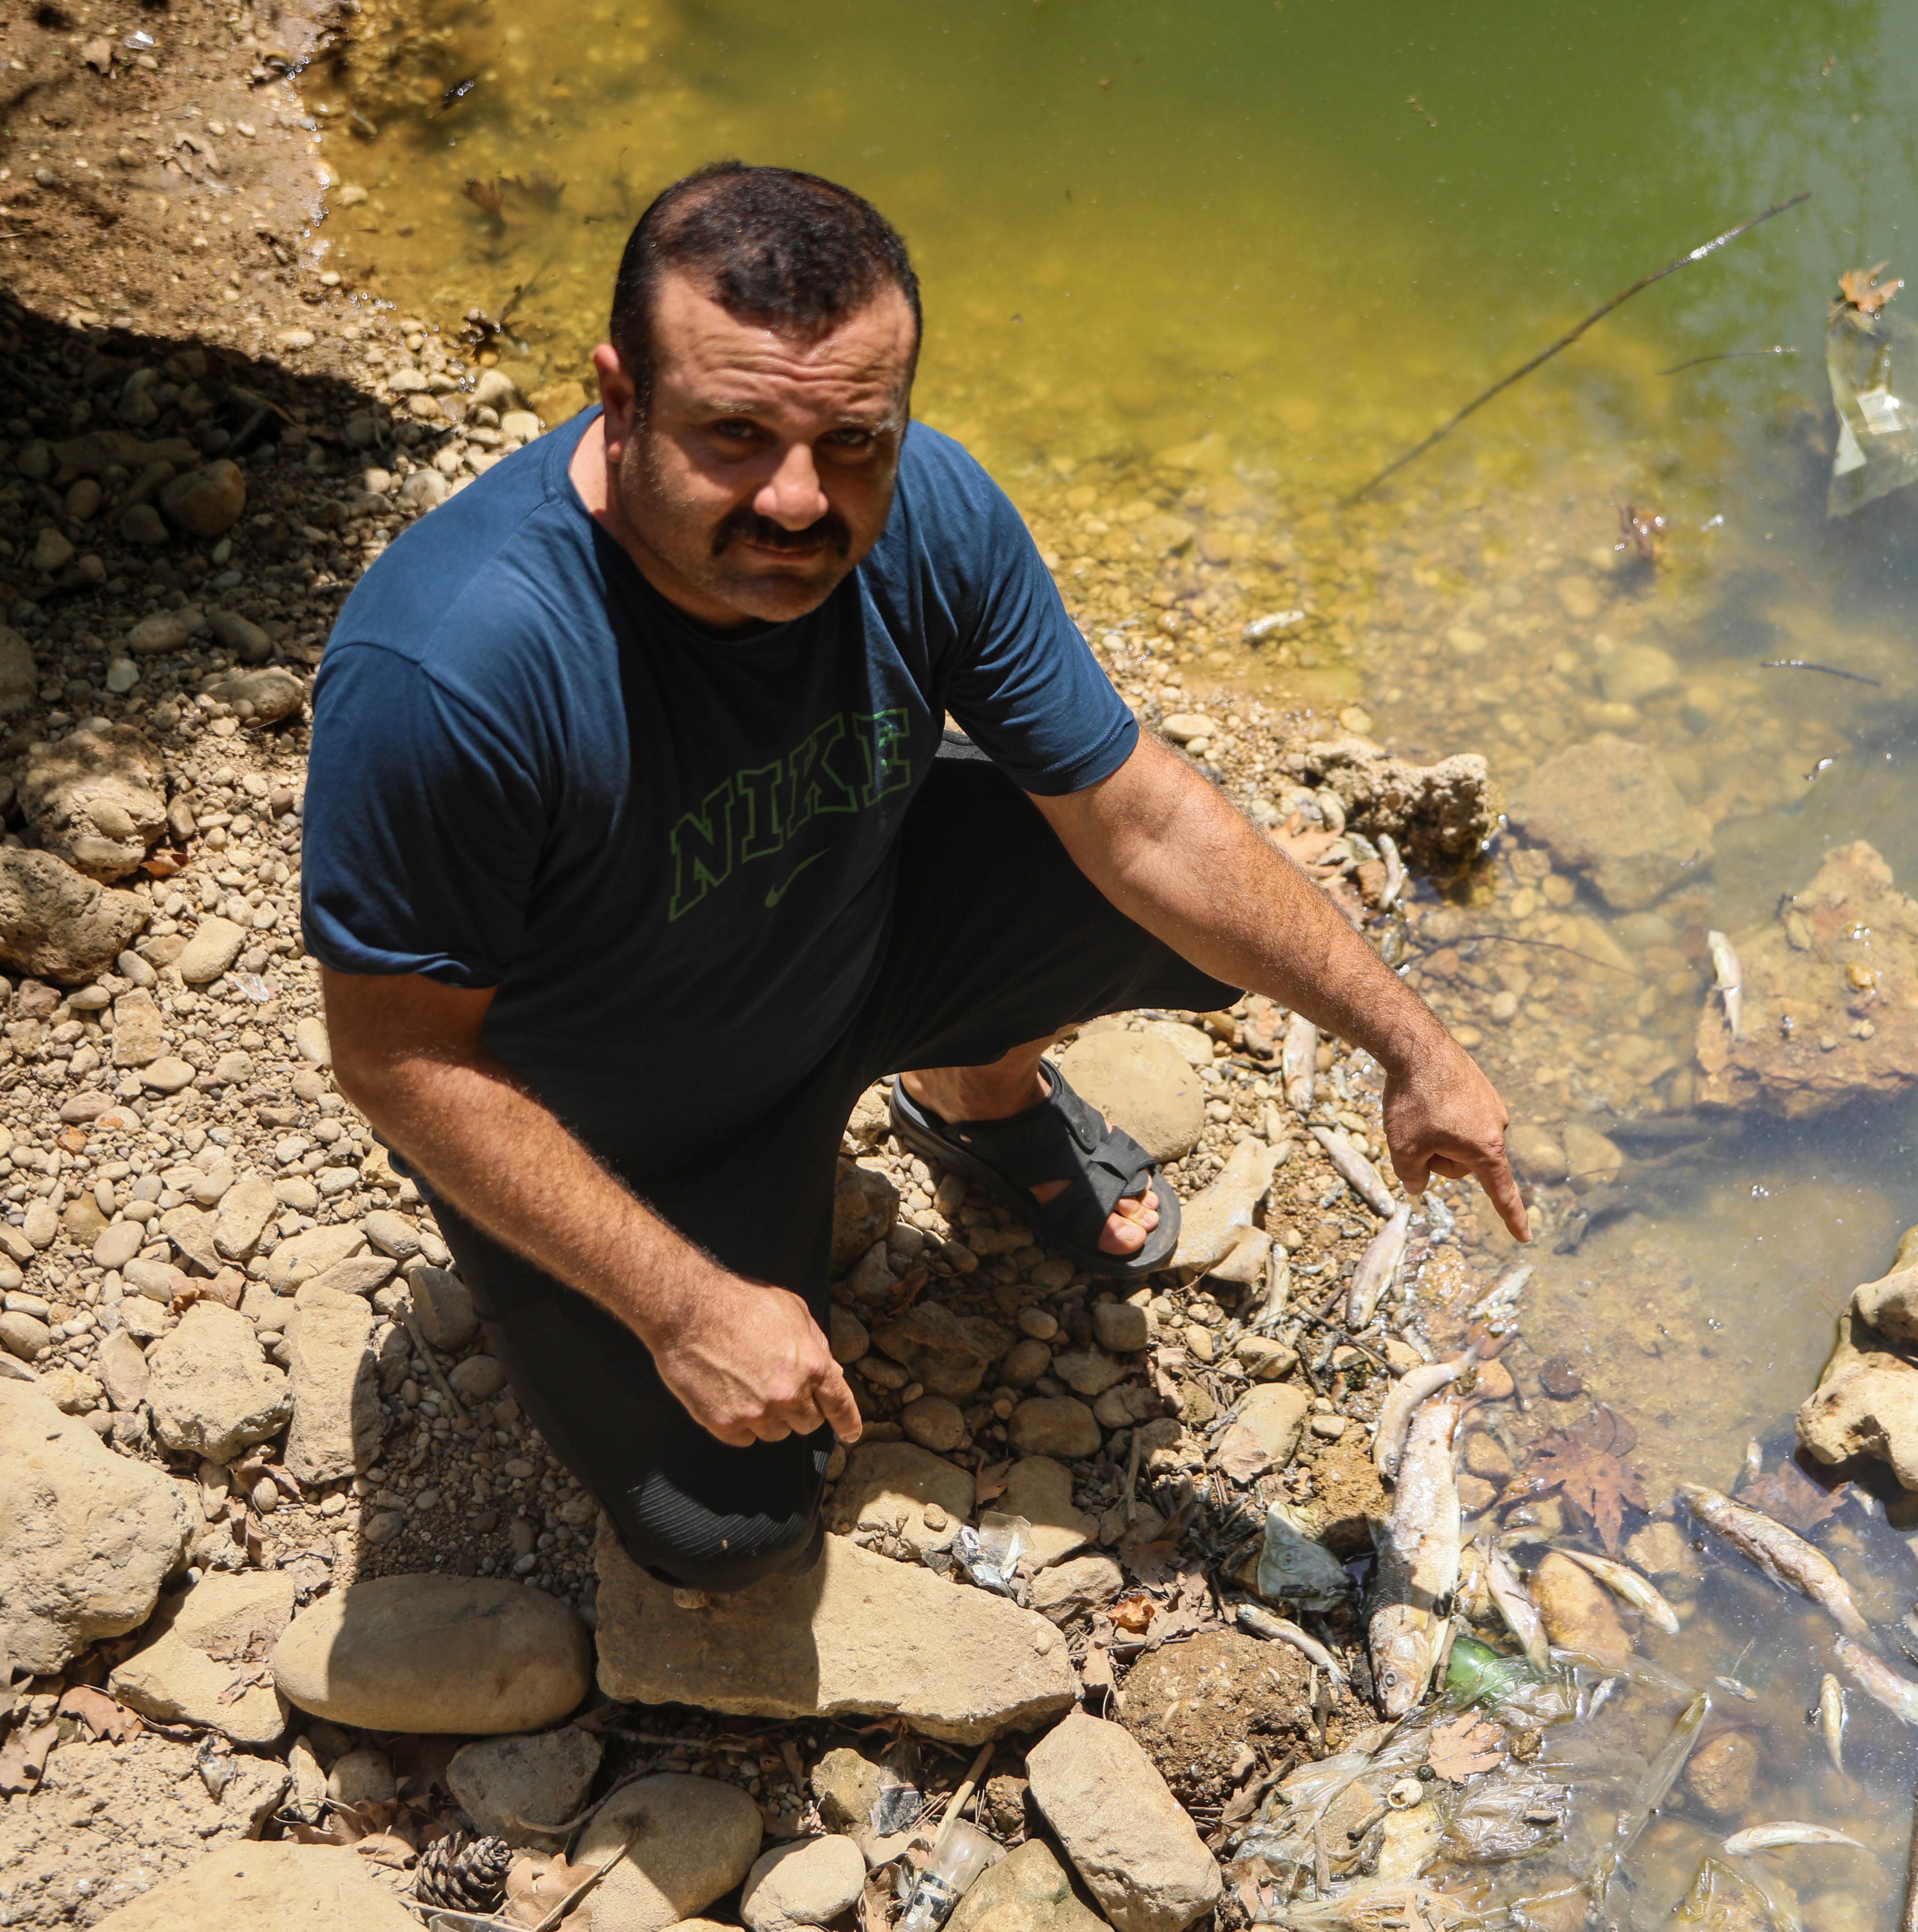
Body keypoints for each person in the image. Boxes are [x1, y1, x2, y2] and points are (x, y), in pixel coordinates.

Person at [301, 162, 1526, 1594]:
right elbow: (399, 1065)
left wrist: (1409, 1043)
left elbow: (1139, 815)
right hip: (632, 1119)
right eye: (735, 435)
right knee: (727, 1533)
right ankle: (679, 1244)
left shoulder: (934, 511)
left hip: (848, 943)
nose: (799, 501)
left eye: (854, 441)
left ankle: (972, 1090)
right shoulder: (452, 667)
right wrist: (684, 1301)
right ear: (619, 396)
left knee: (1196, 916)